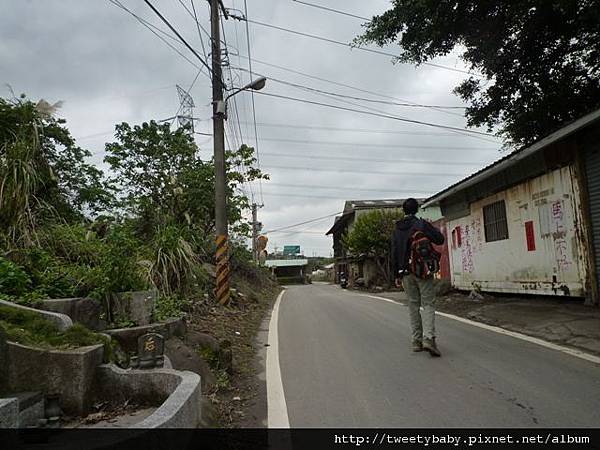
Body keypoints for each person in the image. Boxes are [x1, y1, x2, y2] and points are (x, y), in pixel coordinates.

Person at [391, 198, 445, 357]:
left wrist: (396, 274)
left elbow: (394, 253)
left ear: (403, 210)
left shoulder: (397, 229)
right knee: (428, 303)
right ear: (417, 209)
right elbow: (440, 239)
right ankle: (429, 338)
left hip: (405, 273)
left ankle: (416, 341)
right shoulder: (421, 224)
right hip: (422, 271)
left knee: (413, 306)